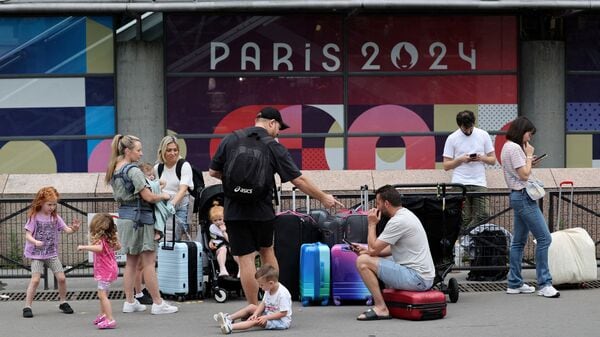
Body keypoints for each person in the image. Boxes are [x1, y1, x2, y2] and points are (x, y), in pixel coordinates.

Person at [209, 106, 344, 305]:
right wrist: (323, 197)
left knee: (245, 259)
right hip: (262, 210)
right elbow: (299, 180)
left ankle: (253, 307)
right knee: (267, 251)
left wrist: (237, 184)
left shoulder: (231, 138)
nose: (278, 132)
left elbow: (213, 172)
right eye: (279, 127)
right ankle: (273, 303)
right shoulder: (272, 145)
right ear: (271, 123)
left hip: (234, 210)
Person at [105, 134, 178, 315]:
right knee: (149, 263)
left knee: (131, 263)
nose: (141, 153)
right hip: (141, 219)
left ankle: (130, 301)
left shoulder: (114, 168)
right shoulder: (133, 171)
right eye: (138, 150)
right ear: (128, 150)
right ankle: (158, 303)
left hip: (125, 218)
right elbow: (149, 197)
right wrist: (165, 195)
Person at [353, 184, 436, 321]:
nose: (376, 208)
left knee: (362, 262)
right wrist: (367, 252)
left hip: (417, 278)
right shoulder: (406, 215)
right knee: (367, 257)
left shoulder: (398, 221)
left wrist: (371, 224)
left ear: (386, 203)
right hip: (423, 277)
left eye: (378, 203)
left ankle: (381, 308)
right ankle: (387, 302)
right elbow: (388, 250)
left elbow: (374, 249)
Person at [500, 116, 559, 298]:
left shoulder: (506, 147)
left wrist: (528, 161)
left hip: (518, 195)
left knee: (518, 242)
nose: (529, 138)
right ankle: (544, 283)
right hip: (524, 196)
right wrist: (527, 156)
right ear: (522, 131)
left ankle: (515, 282)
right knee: (544, 238)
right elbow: (524, 176)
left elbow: (520, 172)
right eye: (529, 134)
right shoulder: (516, 148)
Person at [22, 186, 81, 318]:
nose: (52, 207)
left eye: (54, 205)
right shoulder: (34, 217)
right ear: (41, 203)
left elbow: (67, 230)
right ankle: (27, 306)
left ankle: (63, 301)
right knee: (35, 280)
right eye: (49, 204)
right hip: (36, 254)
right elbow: (27, 235)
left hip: (51, 253)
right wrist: (35, 242)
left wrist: (74, 228)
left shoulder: (55, 218)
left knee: (61, 278)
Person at [443, 110, 496, 228]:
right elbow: (446, 165)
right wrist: (461, 159)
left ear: (474, 123)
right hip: (459, 182)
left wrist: (482, 158)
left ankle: (466, 237)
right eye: (465, 128)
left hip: (479, 182)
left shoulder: (483, 134)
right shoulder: (452, 138)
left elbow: (493, 160)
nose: (468, 131)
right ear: (459, 125)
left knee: (484, 214)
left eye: (470, 127)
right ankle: (464, 242)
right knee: (463, 218)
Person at [214, 264, 292, 334]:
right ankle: (228, 318)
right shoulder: (269, 289)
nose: (260, 287)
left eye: (261, 285)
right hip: (269, 314)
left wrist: (265, 317)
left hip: (280, 321)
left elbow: (283, 313)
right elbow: (263, 303)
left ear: (271, 283)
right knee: (251, 307)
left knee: (255, 321)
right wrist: (255, 313)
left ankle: (230, 327)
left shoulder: (282, 294)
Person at [77, 213, 122, 329]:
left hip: (105, 270)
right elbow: (118, 247)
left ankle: (110, 319)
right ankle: (103, 314)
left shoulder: (101, 239)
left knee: (102, 295)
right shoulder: (108, 237)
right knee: (104, 293)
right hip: (110, 268)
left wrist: (84, 247)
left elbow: (99, 249)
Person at [154, 135, 194, 241]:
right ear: (163, 151)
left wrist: (172, 203)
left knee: (175, 236)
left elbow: (183, 189)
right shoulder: (158, 168)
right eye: (169, 150)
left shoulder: (184, 165)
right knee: (163, 237)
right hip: (163, 206)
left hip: (181, 205)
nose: (173, 153)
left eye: (175, 150)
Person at [208, 201, 240, 278]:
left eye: (220, 219)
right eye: (215, 220)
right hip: (219, 247)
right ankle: (222, 268)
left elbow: (230, 240)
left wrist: (224, 231)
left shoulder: (229, 226)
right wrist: (210, 241)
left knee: (234, 249)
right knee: (223, 249)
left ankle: (241, 268)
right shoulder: (212, 227)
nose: (218, 222)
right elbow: (213, 237)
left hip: (230, 244)